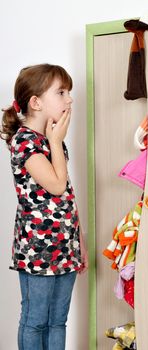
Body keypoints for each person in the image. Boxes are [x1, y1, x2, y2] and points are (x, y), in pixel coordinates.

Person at [0, 63, 88, 350]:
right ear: (35, 102)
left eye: (69, 92)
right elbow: (56, 185)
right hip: (38, 248)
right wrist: (55, 140)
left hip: (65, 245)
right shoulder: (25, 142)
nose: (69, 99)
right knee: (36, 319)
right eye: (61, 92)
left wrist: (80, 242)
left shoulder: (53, 140)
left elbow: (66, 198)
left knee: (57, 320)